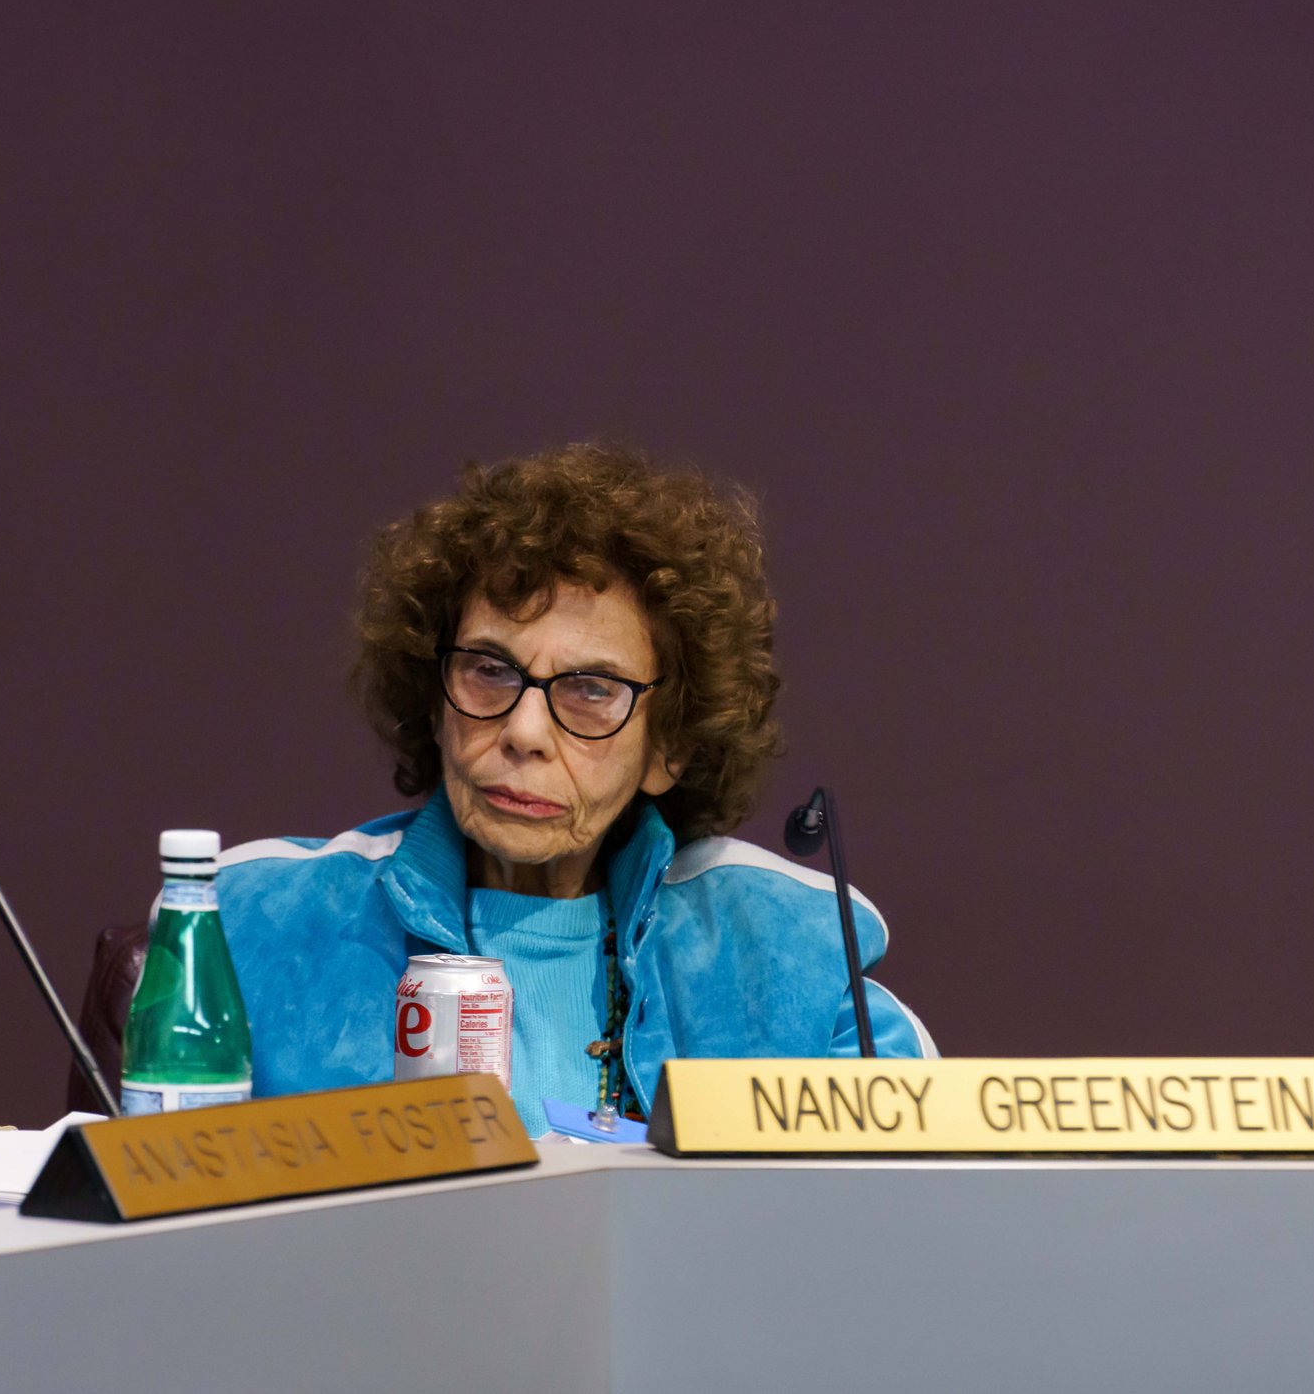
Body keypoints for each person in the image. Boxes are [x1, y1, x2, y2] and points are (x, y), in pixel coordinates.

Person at [214, 444, 932, 1138]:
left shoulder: (786, 950)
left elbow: (913, 1217)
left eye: (592, 689)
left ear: (669, 746)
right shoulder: (254, 929)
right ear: (434, 703)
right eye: (489, 670)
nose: (525, 730)